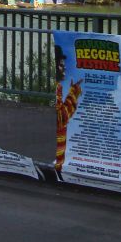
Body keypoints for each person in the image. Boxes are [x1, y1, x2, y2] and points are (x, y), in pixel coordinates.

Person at [53, 45, 83, 174]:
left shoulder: (57, 86)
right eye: (61, 65)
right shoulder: (57, 87)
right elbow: (61, 117)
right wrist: (74, 93)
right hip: (56, 159)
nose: (64, 67)